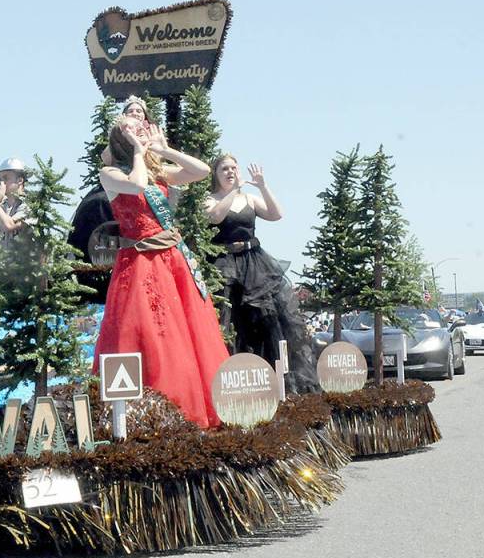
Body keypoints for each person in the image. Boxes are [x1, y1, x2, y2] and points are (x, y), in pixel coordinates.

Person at [93, 114, 228, 428]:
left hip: (172, 261)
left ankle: (198, 408)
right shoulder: (109, 172)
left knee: (186, 333)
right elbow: (137, 184)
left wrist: (164, 150)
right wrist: (140, 154)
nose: (143, 135)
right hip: (140, 264)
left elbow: (202, 171)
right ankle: (142, 413)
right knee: (150, 332)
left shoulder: (158, 171)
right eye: (136, 133)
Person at [205, 155, 320, 393]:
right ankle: (229, 384)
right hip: (224, 265)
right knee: (228, 321)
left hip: (255, 263)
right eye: (224, 169)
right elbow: (215, 216)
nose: (230, 172)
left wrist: (263, 186)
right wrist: (231, 192)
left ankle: (279, 384)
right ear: (215, 174)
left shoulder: (249, 198)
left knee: (269, 321)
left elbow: (276, 214)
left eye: (234, 168)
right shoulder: (211, 199)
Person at [0, 157, 30, 249]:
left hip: (25, 261)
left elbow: (9, 226)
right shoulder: (2, 206)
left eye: (5, 178)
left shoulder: (30, 205)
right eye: (0, 180)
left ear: (19, 180)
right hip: (3, 262)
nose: (1, 183)